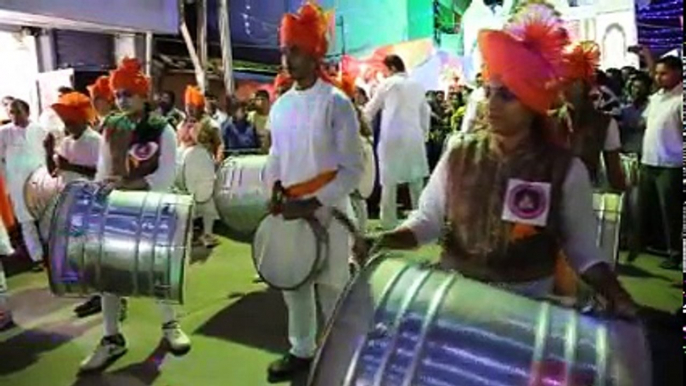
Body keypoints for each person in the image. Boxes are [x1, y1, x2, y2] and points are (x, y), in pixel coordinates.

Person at [370, 2, 637, 318]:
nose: (492, 104)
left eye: (507, 95)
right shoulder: (459, 153)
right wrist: (382, 239)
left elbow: (584, 252)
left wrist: (616, 294)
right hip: (455, 301)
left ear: (531, 104)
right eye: (489, 91)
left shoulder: (564, 170)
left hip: (527, 311)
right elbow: (427, 221)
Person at [263, 2, 364, 382]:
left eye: (296, 50)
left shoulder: (337, 103)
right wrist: (273, 188)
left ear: (315, 53)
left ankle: (339, 358)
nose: (288, 59)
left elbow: (353, 170)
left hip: (329, 212)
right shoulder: (282, 105)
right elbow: (276, 155)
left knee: (333, 288)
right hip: (290, 210)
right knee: (296, 286)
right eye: (286, 50)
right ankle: (301, 349)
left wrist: (313, 202)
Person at [79, 58, 191, 373]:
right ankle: (111, 338)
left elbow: (167, 174)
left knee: (156, 272)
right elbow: (103, 169)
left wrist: (130, 184)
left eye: (128, 93)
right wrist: (102, 193)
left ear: (144, 94)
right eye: (117, 94)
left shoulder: (161, 129)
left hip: (150, 210)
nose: (122, 99)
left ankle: (170, 326)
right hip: (114, 211)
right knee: (107, 276)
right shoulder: (110, 126)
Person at [364, 54, 431, 230]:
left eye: (384, 70)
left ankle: (388, 222)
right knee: (416, 180)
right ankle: (421, 219)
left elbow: (371, 109)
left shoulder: (387, 84)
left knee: (389, 181)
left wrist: (359, 122)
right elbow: (425, 112)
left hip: (391, 137)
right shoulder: (417, 85)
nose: (383, 74)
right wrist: (424, 134)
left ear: (392, 68)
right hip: (414, 136)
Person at [636, 55, 682, 270]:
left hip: (671, 164)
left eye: (664, 73)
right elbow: (644, 123)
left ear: (677, 73)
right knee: (649, 207)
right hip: (649, 161)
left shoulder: (680, 99)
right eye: (657, 73)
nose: (658, 77)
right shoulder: (656, 98)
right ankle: (653, 245)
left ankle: (676, 253)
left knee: (671, 211)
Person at [560, 41, 625, 191]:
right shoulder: (545, 120)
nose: (564, 88)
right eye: (562, 82)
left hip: (587, 197)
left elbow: (614, 172)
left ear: (585, 84)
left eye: (571, 82)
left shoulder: (605, 124)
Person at [0, 99, 47, 272]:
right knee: (26, 221)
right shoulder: (4, 133)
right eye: (11, 112)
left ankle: (51, 255)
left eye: (17, 112)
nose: (14, 116)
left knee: (45, 218)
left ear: (27, 112)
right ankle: (37, 258)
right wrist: (5, 184)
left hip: (41, 181)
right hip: (17, 183)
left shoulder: (39, 130)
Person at [618, 72, 652, 155]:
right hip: (628, 151)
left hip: (646, 151)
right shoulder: (625, 109)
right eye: (634, 87)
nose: (637, 91)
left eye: (641, 88)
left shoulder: (652, 107)